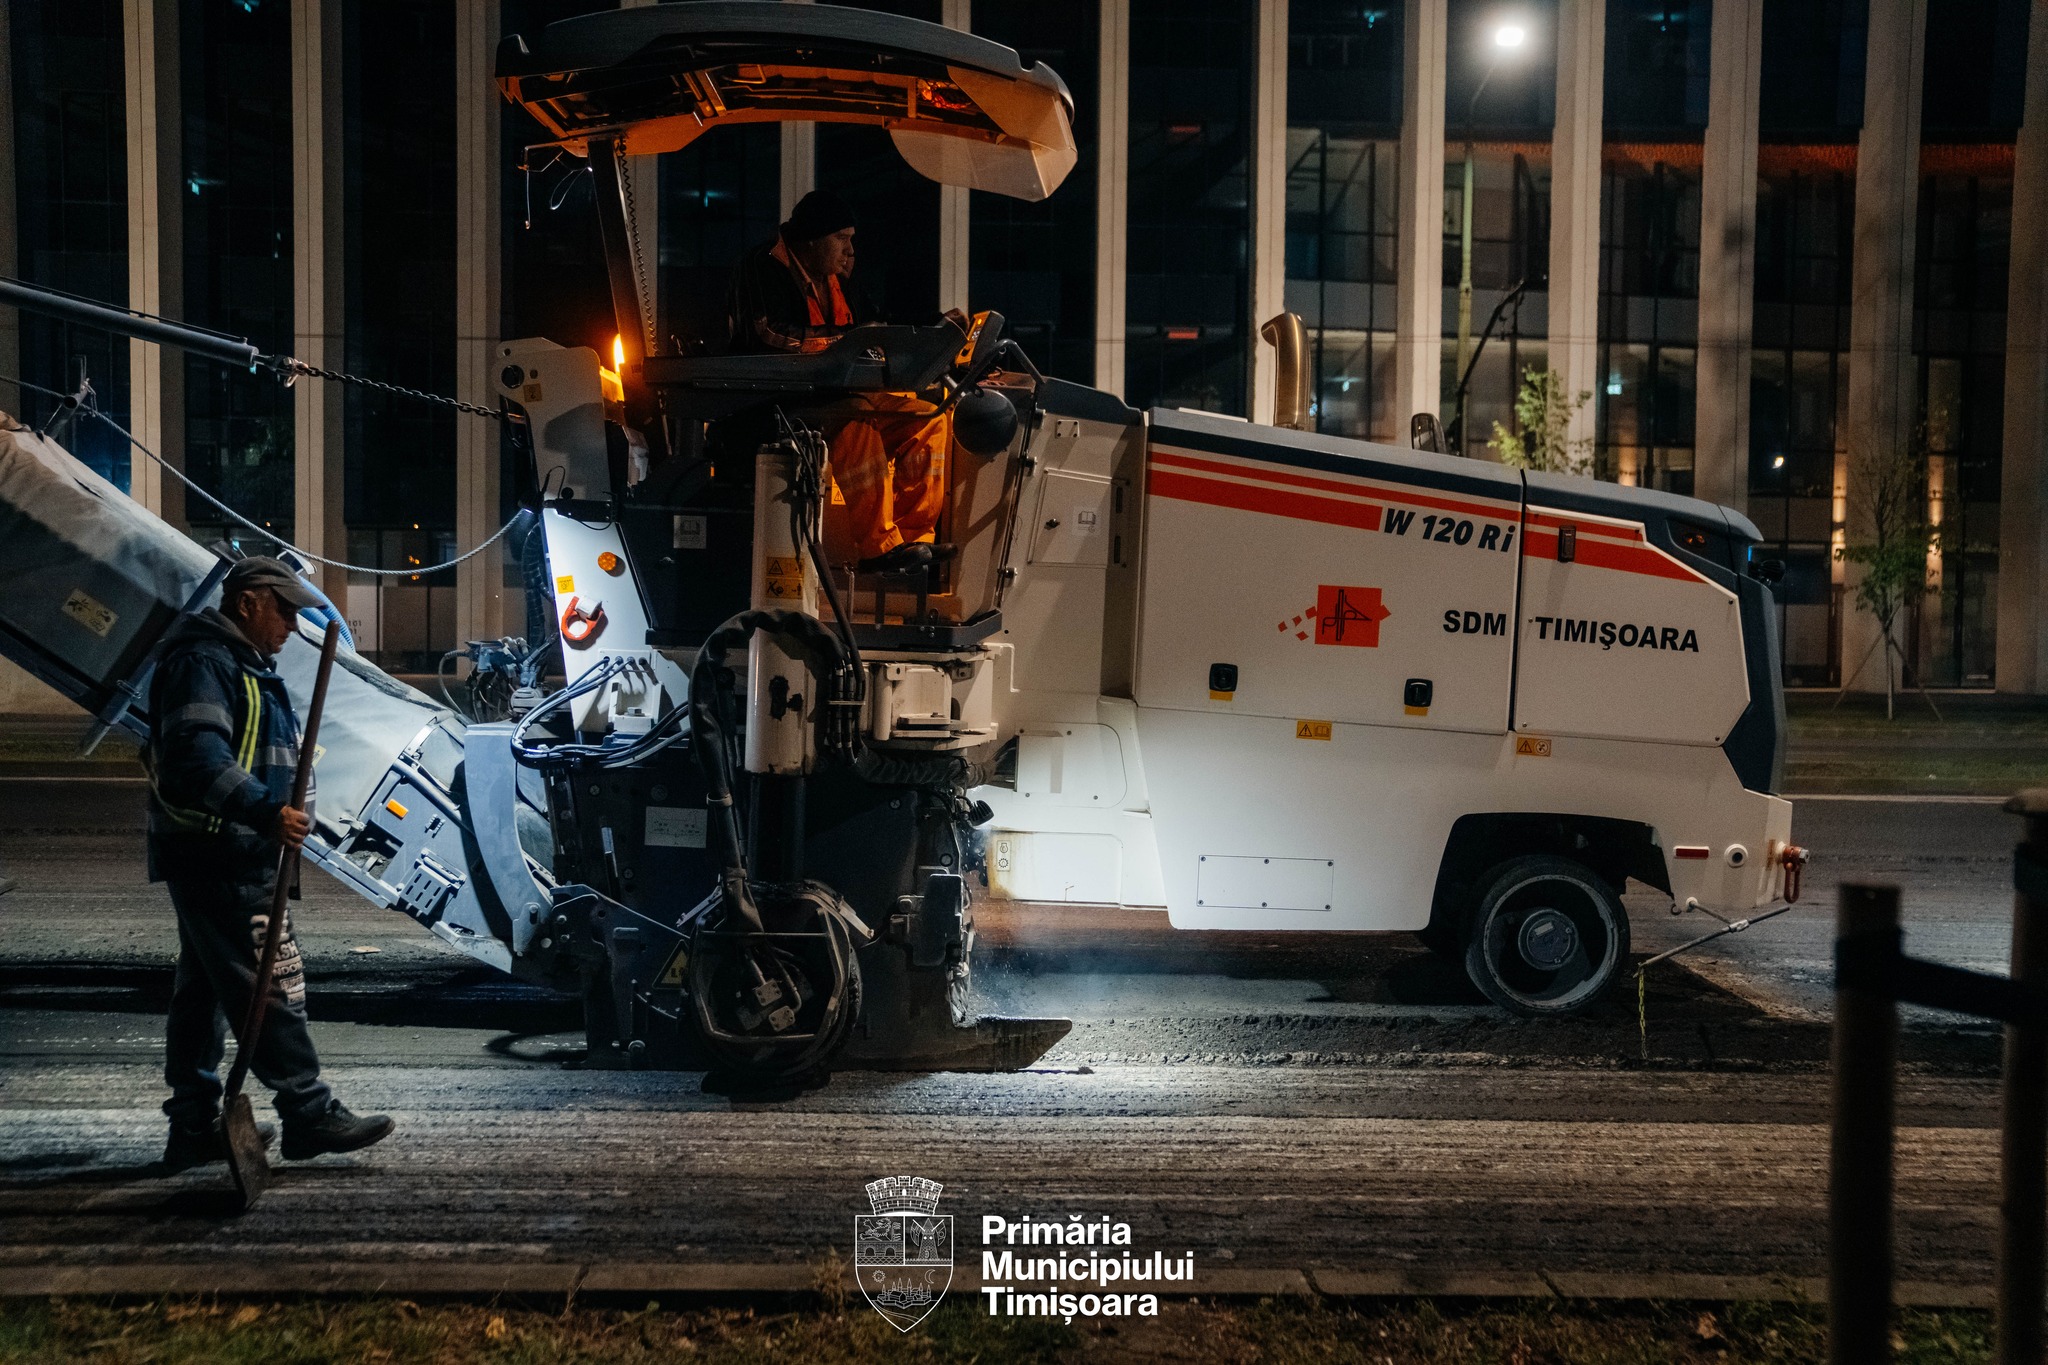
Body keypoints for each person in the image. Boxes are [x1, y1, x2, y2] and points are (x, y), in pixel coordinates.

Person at [145, 556, 394, 1169]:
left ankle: (193, 1125)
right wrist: (265, 812)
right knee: (269, 982)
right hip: (223, 853)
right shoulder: (206, 663)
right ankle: (308, 1112)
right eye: (283, 610)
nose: (290, 625)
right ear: (248, 602)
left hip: (222, 852)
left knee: (204, 992)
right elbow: (195, 757)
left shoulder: (241, 664)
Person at [729, 189, 953, 571]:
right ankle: (878, 548)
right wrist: (845, 342)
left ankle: (914, 542)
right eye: (841, 238)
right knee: (856, 422)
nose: (850, 249)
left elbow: (876, 322)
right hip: (781, 401)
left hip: (839, 394)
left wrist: (936, 326)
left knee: (929, 419)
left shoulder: (837, 277)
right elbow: (766, 334)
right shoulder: (760, 267)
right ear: (812, 239)